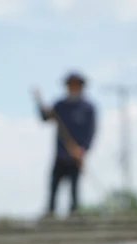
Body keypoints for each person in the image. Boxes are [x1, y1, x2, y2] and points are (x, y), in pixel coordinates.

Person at [33, 72, 97, 217]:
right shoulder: (61, 105)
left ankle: (74, 216)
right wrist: (38, 103)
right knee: (54, 187)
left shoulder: (88, 108)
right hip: (60, 154)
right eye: (70, 85)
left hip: (76, 156)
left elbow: (91, 131)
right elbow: (46, 117)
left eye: (76, 85)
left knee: (74, 189)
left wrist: (83, 149)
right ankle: (50, 215)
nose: (73, 88)